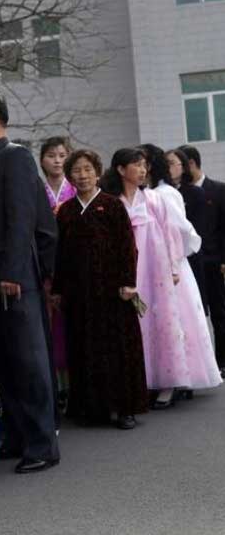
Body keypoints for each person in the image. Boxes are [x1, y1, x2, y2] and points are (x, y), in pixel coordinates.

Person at [0, 92, 60, 474]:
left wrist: (13, 272)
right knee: (3, 363)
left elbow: (22, 219)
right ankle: (18, 436)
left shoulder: (14, 157)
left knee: (28, 362)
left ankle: (42, 444)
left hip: (12, 282)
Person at [51, 149, 148, 429]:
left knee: (117, 348)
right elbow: (60, 254)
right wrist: (57, 289)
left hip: (112, 290)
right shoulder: (66, 212)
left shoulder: (112, 205)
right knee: (84, 346)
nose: (82, 176)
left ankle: (125, 408)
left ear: (97, 172)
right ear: (70, 176)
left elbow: (128, 247)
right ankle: (94, 408)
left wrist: (129, 283)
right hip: (78, 292)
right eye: (76, 171)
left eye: (87, 170)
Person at [99, 148, 191, 409]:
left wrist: (173, 267)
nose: (142, 170)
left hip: (155, 266)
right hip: (126, 268)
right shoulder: (111, 200)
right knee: (133, 325)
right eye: (136, 165)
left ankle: (166, 382)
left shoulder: (153, 199)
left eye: (144, 166)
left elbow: (169, 233)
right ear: (120, 169)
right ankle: (141, 381)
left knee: (159, 320)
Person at [140, 144, 221, 400]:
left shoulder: (165, 193)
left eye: (144, 162)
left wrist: (174, 261)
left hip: (171, 265)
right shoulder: (146, 193)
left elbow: (182, 231)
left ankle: (178, 378)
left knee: (177, 321)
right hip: (151, 266)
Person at [179, 144, 225, 376]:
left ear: (191, 164)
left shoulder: (218, 189)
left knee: (220, 312)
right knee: (195, 312)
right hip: (190, 262)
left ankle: (222, 361)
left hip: (215, 261)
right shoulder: (179, 193)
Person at [38, 137, 76, 408]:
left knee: (70, 321)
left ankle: (74, 384)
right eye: (51, 155)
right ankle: (56, 386)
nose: (57, 160)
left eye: (62, 155)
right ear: (42, 159)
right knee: (50, 325)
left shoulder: (75, 189)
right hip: (45, 263)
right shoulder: (37, 189)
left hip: (69, 261)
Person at [167, 148, 208, 304]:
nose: (167, 168)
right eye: (165, 164)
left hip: (190, 254)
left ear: (183, 166)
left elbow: (199, 227)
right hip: (171, 258)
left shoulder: (195, 192)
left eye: (171, 163)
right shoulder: (158, 193)